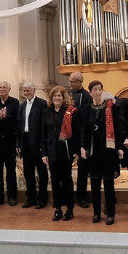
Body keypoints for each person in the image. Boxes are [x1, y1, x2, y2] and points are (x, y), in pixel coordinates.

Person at [81, 80, 119, 225]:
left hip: (107, 150)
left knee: (108, 182)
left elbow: (117, 126)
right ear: (90, 93)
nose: (97, 92)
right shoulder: (86, 109)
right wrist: (82, 147)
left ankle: (110, 213)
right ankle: (96, 213)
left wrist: (112, 98)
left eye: (99, 89)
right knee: (95, 182)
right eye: (94, 89)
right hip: (93, 150)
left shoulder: (110, 107)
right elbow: (83, 129)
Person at [41, 86, 80, 221]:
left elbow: (76, 134)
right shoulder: (47, 112)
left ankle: (69, 209)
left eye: (59, 95)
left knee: (67, 180)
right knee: (55, 181)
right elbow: (44, 135)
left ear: (64, 98)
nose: (56, 98)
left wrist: (76, 151)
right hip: (52, 152)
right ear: (51, 98)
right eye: (54, 96)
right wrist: (44, 153)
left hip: (66, 151)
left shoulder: (70, 112)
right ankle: (58, 208)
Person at [0, 81, 20, 207]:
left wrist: (6, 116)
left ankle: (12, 196)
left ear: (9, 89)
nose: (2, 89)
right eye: (0, 87)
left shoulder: (15, 102)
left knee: (11, 169)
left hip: (10, 140)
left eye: (4, 87)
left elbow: (17, 120)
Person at [17, 82, 49, 209]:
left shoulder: (42, 104)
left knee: (42, 173)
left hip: (38, 143)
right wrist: (18, 143)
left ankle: (42, 198)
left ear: (34, 90)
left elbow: (44, 126)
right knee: (28, 173)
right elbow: (19, 126)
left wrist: (43, 144)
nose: (26, 93)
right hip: (25, 143)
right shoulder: (22, 105)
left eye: (28, 90)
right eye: (24, 91)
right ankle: (31, 198)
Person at [69, 71, 92, 208]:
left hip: (82, 135)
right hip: (69, 135)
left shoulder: (87, 97)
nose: (70, 84)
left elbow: (86, 116)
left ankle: (82, 197)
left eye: (72, 81)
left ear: (79, 82)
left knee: (83, 170)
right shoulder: (68, 94)